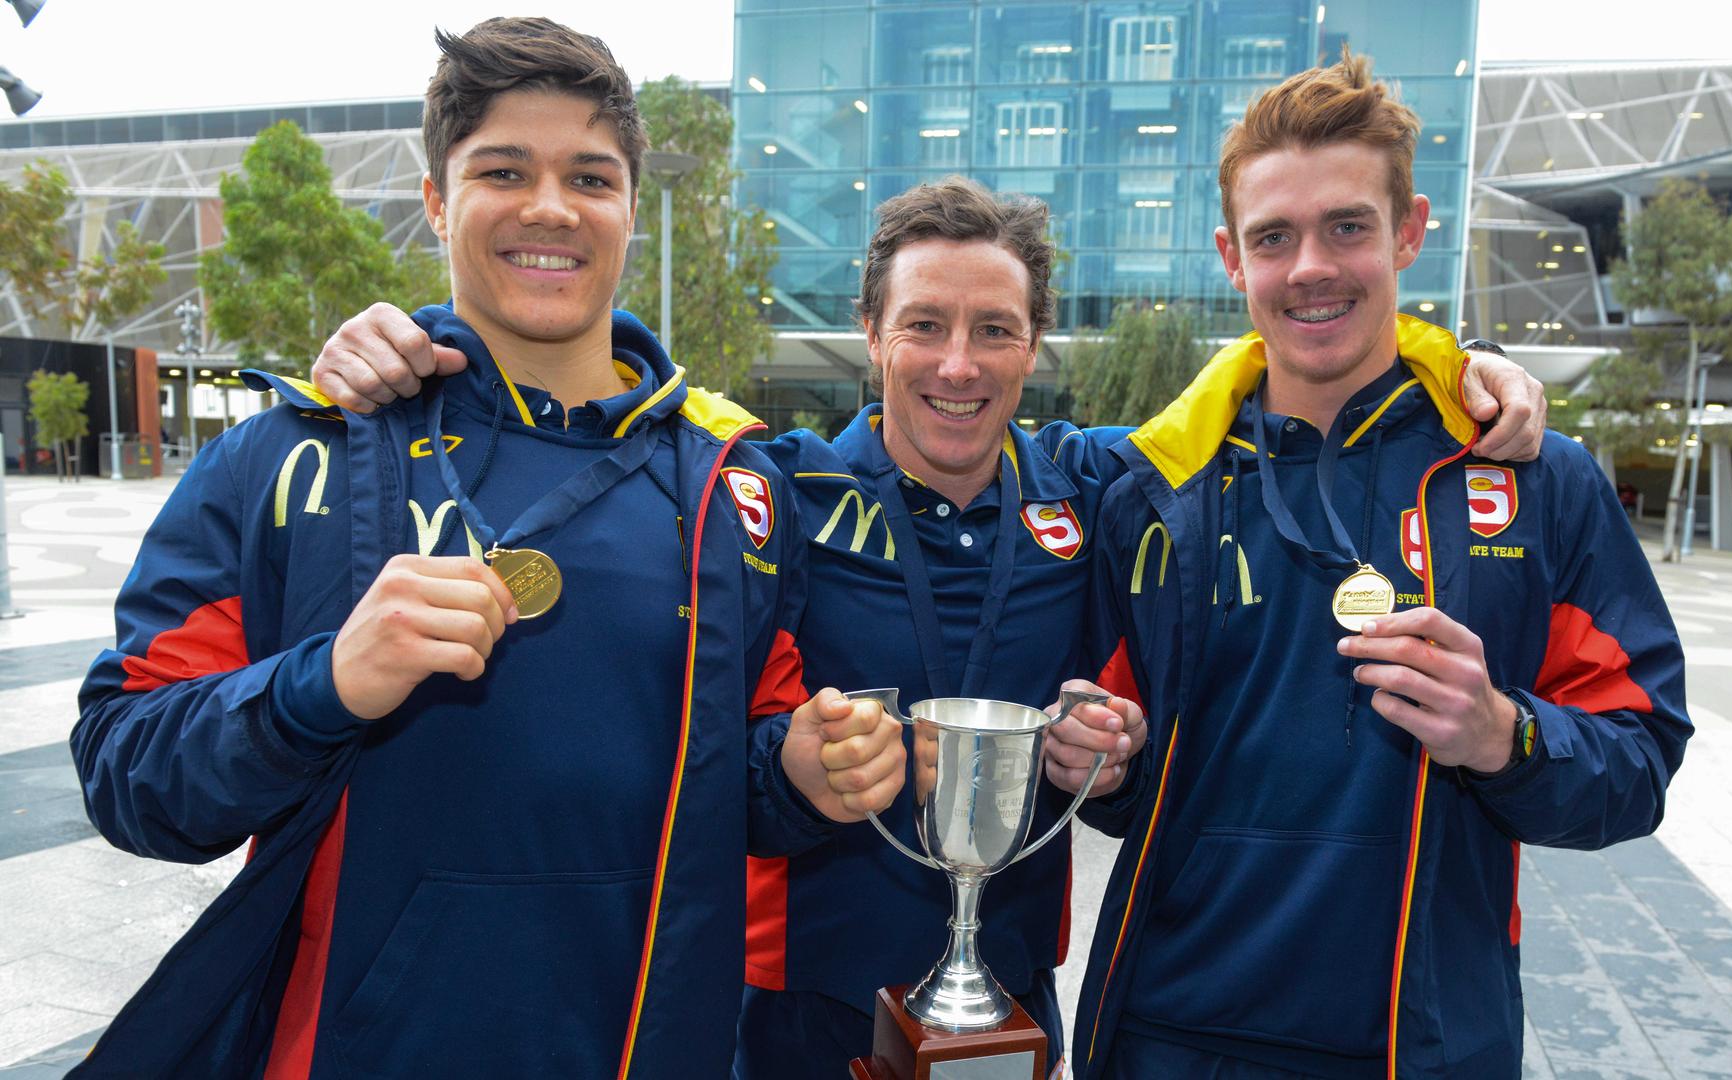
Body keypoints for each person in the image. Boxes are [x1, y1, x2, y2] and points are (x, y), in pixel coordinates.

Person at [311, 192, 1547, 1080]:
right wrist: (410, 348)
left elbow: (1265, 385)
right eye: (926, 325)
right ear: (871, 332)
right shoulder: (768, 489)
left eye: (997, 330)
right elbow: (605, 420)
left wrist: (1461, 368)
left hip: (1009, 1001)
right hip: (799, 1004)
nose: (960, 365)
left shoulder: (1093, 487)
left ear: (1036, 346)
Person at [70, 19, 903, 1079]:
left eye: (590, 178)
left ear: (631, 210)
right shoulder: (288, 457)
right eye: (503, 169)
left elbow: (734, 778)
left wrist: (801, 773)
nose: (549, 207)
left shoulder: (733, 488)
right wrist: (316, 687)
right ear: (436, 199)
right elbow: (126, 770)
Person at [1071, 51, 1690, 1079]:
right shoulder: (1153, 491)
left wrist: (1504, 734)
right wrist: (1097, 758)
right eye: (1275, 237)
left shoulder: (1533, 478)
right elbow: (1123, 780)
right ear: (1233, 258)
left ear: (1409, 231)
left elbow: (1641, 759)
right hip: (1172, 1036)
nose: (1311, 265)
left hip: (1425, 1043)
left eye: (1347, 226)